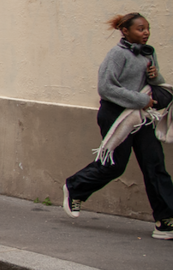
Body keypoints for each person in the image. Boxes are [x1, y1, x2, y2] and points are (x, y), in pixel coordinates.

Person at [62, 13, 173, 238]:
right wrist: (142, 99)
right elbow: (106, 87)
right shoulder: (117, 54)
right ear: (126, 31)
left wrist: (155, 76)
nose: (146, 32)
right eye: (140, 29)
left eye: (147, 28)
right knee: (115, 165)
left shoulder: (148, 52)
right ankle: (75, 187)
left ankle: (165, 220)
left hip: (140, 116)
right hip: (115, 114)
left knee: (155, 164)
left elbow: (154, 85)